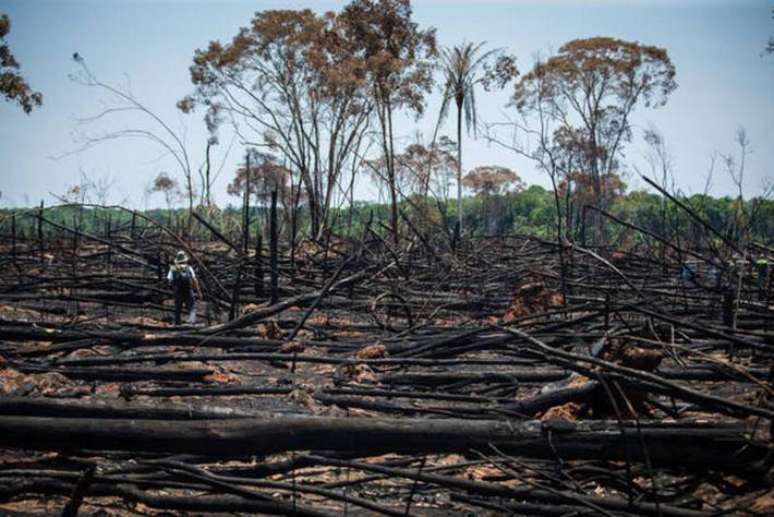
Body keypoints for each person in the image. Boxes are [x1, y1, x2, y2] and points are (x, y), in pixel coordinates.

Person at [167, 250, 202, 325]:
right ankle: (191, 322)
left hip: (178, 291)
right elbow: (195, 280)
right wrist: (199, 292)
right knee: (192, 307)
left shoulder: (172, 269)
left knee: (177, 309)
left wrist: (173, 288)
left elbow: (169, 281)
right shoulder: (189, 268)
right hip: (188, 290)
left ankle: (177, 324)